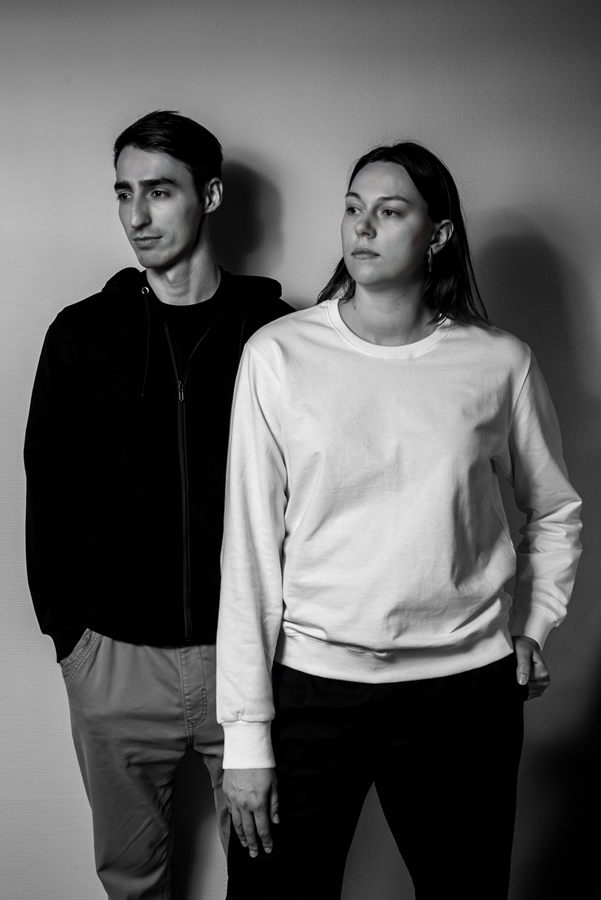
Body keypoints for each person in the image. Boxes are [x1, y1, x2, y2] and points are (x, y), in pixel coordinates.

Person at [216, 141, 583, 899]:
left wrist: (533, 624)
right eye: (353, 208)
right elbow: (247, 551)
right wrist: (246, 734)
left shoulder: (497, 362)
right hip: (312, 688)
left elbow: (554, 509)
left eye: (389, 211)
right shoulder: (277, 356)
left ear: (437, 234)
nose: (362, 227)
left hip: (461, 695)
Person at [24, 109, 291, 900]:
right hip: (115, 663)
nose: (136, 216)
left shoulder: (278, 336)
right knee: (133, 883)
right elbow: (50, 491)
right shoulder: (81, 336)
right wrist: (71, 639)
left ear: (210, 195)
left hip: (252, 658)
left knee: (273, 878)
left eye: (160, 191)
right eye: (123, 193)